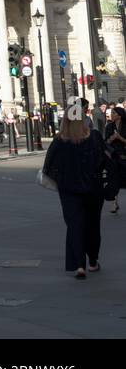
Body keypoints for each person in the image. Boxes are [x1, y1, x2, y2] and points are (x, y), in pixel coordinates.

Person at [43, 109, 108, 279]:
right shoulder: (94, 137)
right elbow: (103, 159)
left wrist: (63, 180)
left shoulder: (59, 140)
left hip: (69, 190)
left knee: (74, 225)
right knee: (93, 225)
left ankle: (80, 265)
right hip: (93, 188)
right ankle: (93, 261)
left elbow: (48, 167)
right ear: (83, 118)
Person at [104, 106, 126, 214]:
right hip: (114, 157)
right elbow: (105, 143)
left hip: (124, 157)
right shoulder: (109, 126)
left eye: (113, 113)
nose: (111, 115)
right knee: (114, 180)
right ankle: (114, 203)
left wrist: (120, 138)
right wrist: (111, 139)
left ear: (119, 115)